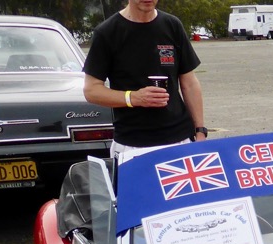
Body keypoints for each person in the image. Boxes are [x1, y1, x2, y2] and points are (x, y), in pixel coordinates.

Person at [83, 0, 208, 161]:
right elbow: (91, 90)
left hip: (179, 139)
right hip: (132, 144)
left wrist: (200, 131)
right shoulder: (107, 32)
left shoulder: (172, 25)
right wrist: (134, 98)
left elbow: (189, 83)